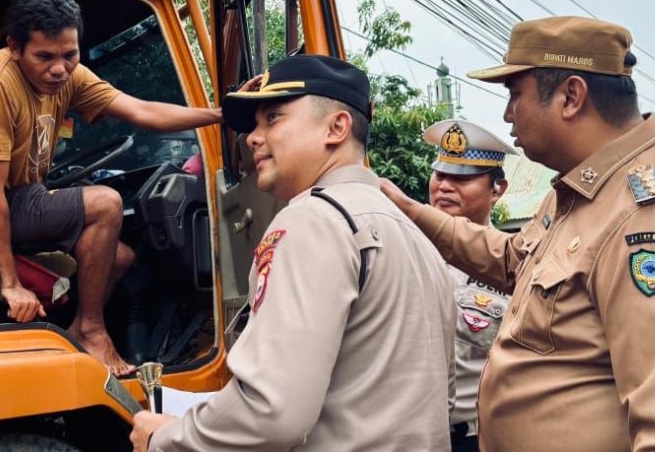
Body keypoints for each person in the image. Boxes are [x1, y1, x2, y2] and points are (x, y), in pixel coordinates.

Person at [381, 16, 655, 452]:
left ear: (571, 97)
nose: (507, 115)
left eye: (514, 95)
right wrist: (411, 211)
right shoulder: (584, 192)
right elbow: (514, 261)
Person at [130, 55, 456, 451]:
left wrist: (164, 438)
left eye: (274, 118)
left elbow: (271, 412)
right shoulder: (419, 240)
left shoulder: (313, 220)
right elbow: (442, 401)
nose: (252, 138)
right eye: (255, 124)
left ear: (336, 127)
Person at [0, 0, 222, 376]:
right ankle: (90, 331)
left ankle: (62, 334)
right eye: (44, 57)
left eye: (69, 55)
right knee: (105, 203)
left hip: (29, 196)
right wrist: (11, 284)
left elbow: (142, 110)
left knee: (121, 257)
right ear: (15, 48)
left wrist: (219, 113)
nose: (59, 69)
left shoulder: (69, 76)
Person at [422, 119, 516, 452]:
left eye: (462, 178)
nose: (444, 186)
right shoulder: (406, 248)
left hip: (475, 438)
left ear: (498, 189)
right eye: (440, 174)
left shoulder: (515, 264)